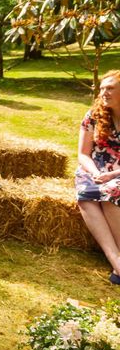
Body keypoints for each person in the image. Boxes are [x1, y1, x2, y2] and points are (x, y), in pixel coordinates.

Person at [76, 70, 120, 284]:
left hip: (117, 171)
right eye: (102, 88)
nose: (104, 92)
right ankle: (116, 261)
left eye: (110, 88)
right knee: (86, 195)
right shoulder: (93, 115)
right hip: (94, 168)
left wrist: (112, 174)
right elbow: (83, 154)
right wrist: (95, 173)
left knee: (111, 191)